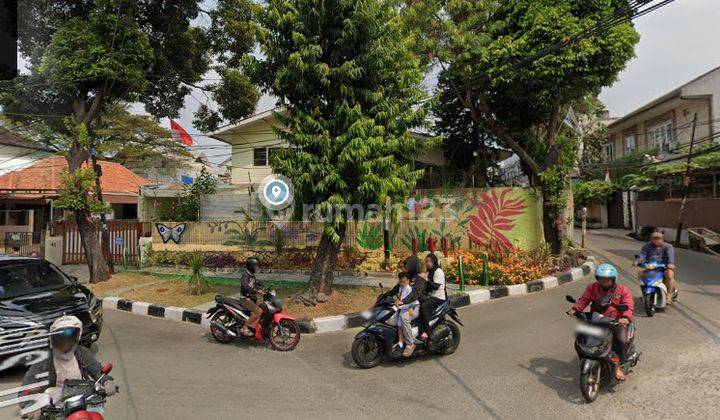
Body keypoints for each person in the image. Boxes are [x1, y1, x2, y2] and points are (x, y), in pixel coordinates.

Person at [21, 316, 117, 419]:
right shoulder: (43, 360)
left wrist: (107, 381)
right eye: (60, 337)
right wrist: (30, 405)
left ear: (77, 337)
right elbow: (27, 385)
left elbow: (96, 369)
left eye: (70, 336)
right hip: (54, 405)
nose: (65, 341)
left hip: (82, 397)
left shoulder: (82, 352)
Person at [566, 263, 634, 381]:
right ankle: (585, 358)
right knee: (581, 337)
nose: (604, 281)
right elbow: (584, 300)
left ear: (613, 279)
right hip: (596, 319)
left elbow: (629, 305)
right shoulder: (592, 287)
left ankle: (617, 366)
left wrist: (625, 317)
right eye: (601, 278)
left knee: (621, 340)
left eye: (607, 279)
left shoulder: (622, 290)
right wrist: (575, 309)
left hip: (616, 322)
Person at [637, 231, 677, 304]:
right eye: (654, 239)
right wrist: (638, 261)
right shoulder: (646, 246)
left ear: (662, 239)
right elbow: (642, 255)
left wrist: (670, 263)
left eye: (659, 239)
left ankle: (669, 295)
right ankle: (644, 292)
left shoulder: (668, 246)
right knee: (640, 272)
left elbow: (671, 256)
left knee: (669, 274)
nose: (657, 240)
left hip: (663, 267)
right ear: (651, 240)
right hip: (650, 266)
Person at [418, 253, 446, 340]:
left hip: (438, 297)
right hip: (430, 296)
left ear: (434, 262)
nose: (427, 263)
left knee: (423, 306)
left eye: (429, 261)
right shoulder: (428, 272)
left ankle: (427, 331)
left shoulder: (438, 271)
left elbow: (436, 286)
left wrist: (426, 279)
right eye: (426, 261)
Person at [390, 272, 419, 354]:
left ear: (408, 281)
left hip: (413, 308)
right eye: (401, 282)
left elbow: (409, 302)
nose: (402, 283)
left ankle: (410, 343)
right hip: (404, 308)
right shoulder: (401, 287)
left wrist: (398, 306)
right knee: (397, 323)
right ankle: (400, 342)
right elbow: (399, 298)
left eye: (404, 282)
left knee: (403, 319)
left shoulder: (409, 289)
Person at [238, 256, 264, 337]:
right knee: (258, 311)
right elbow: (245, 286)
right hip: (245, 299)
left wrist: (263, 289)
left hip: (252, 298)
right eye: (256, 266)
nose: (257, 267)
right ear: (251, 266)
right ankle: (245, 328)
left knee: (264, 306)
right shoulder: (246, 275)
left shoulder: (252, 276)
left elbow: (255, 285)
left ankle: (257, 326)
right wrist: (256, 291)